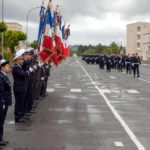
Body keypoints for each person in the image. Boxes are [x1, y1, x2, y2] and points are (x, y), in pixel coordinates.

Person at [12, 50, 29, 122]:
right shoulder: (16, 67)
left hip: (21, 88)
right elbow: (23, 75)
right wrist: (27, 72)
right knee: (19, 103)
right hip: (19, 88)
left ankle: (20, 115)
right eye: (21, 59)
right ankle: (17, 117)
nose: (23, 61)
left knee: (21, 102)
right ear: (17, 60)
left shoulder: (19, 67)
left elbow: (24, 71)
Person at [0, 58, 12, 146]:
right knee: (0, 121)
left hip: (4, 101)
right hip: (2, 102)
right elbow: (1, 91)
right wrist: (3, 102)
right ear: (2, 67)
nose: (8, 67)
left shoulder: (3, 75)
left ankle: (1, 137)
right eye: (7, 66)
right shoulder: (1, 76)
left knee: (2, 121)